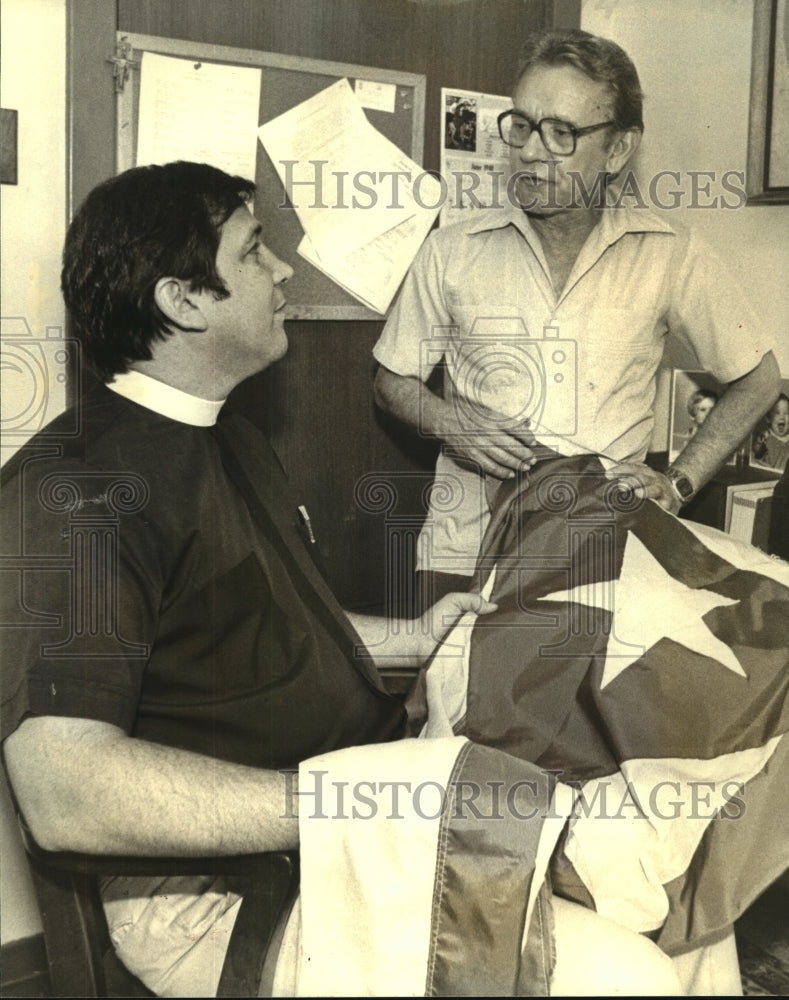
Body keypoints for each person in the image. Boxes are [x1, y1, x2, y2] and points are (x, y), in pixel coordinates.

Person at [0, 161, 682, 997]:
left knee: (665, 865)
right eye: (254, 252)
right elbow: (61, 789)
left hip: (347, 805)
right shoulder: (76, 489)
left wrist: (414, 636)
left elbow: (259, 628)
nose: (283, 270)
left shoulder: (231, 437)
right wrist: (343, 803)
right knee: (633, 975)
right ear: (184, 300)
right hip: (222, 892)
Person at [373, 28, 780, 607]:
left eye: (561, 132)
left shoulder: (672, 253)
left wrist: (679, 483)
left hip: (603, 556)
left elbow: (759, 379)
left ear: (617, 150)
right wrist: (450, 423)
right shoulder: (453, 251)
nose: (531, 151)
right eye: (522, 125)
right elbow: (391, 381)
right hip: (463, 556)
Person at [752, 392, 789, 472]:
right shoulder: (765, 436)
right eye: (777, 413)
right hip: (769, 477)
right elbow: (756, 451)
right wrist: (758, 443)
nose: (782, 417)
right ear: (768, 418)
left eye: (786, 413)